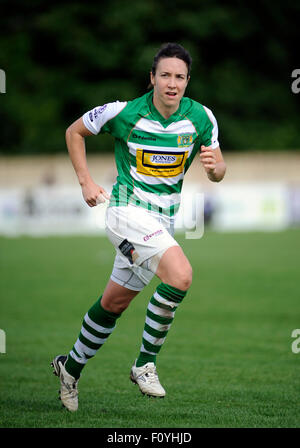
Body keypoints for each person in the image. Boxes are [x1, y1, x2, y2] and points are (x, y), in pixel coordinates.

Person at [51, 42, 226, 412]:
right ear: (152, 78)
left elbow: (219, 170)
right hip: (125, 214)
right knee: (180, 276)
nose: (172, 83)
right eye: (165, 75)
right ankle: (145, 364)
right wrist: (85, 181)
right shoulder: (125, 112)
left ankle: (70, 367)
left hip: (161, 224)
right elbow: (74, 131)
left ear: (187, 81)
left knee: (113, 303)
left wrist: (214, 169)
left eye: (179, 76)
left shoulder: (201, 118)